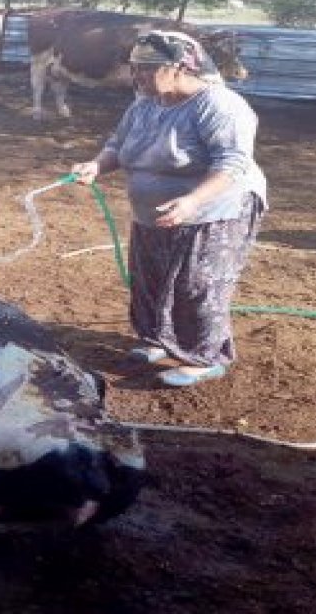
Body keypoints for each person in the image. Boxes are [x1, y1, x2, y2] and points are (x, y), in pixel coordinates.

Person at [70, 30, 267, 387]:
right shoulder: (144, 104)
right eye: (134, 68)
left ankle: (205, 357)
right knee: (150, 278)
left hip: (214, 209)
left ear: (180, 67)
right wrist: (96, 165)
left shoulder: (219, 105)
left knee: (197, 284)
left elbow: (232, 162)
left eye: (147, 68)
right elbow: (118, 145)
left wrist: (193, 200)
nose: (137, 76)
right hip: (155, 211)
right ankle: (158, 339)